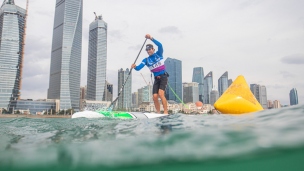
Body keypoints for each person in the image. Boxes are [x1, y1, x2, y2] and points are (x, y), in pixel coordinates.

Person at [131, 34, 169, 114]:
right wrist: (134, 66)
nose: (148, 51)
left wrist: (151, 38)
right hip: (156, 79)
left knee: (161, 94)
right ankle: (158, 113)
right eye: (147, 50)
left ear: (153, 49)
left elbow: (160, 45)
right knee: (155, 96)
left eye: (150, 49)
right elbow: (138, 68)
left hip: (163, 76)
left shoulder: (159, 54)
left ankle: (165, 112)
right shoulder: (146, 60)